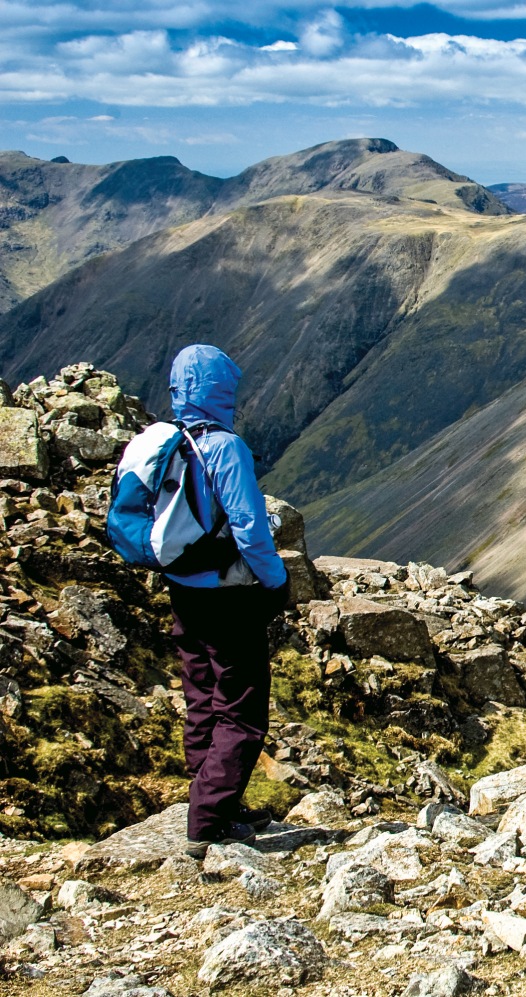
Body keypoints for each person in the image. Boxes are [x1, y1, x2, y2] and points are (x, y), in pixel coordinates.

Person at [163, 344, 290, 858]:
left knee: (203, 698)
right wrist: (276, 582)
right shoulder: (224, 447)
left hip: (182, 589)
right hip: (227, 596)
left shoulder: (168, 443)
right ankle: (208, 823)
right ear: (221, 390)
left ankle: (212, 798)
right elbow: (250, 529)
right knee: (240, 709)